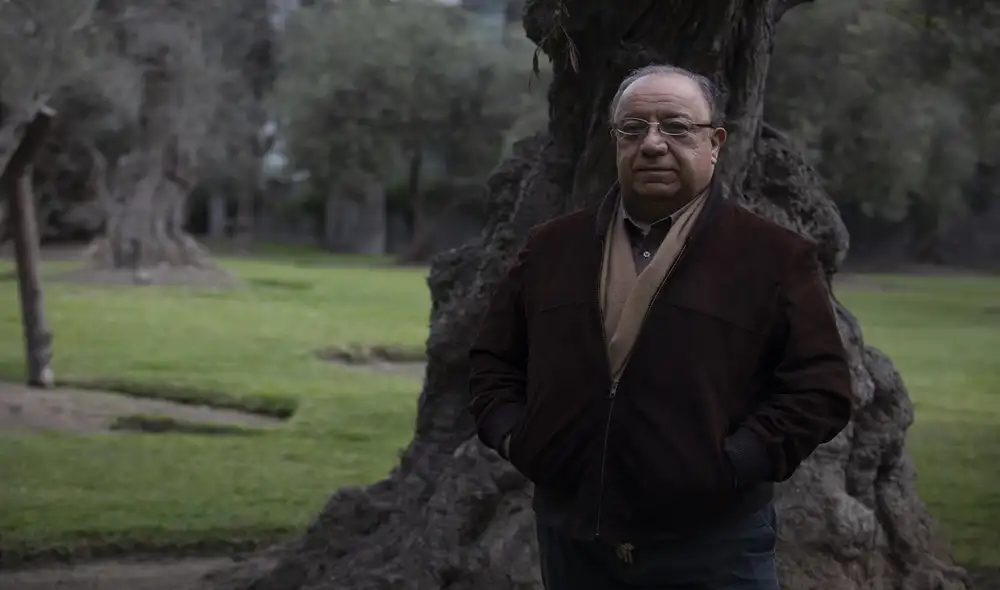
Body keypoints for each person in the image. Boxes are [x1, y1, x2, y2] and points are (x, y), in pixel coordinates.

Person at [467, 64, 854, 590]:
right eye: (633, 128)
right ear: (615, 143)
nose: (652, 144)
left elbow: (820, 391)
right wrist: (519, 439)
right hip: (575, 541)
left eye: (676, 127)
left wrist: (734, 462)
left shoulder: (774, 258)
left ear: (714, 142)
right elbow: (492, 363)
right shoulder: (551, 248)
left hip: (713, 547)